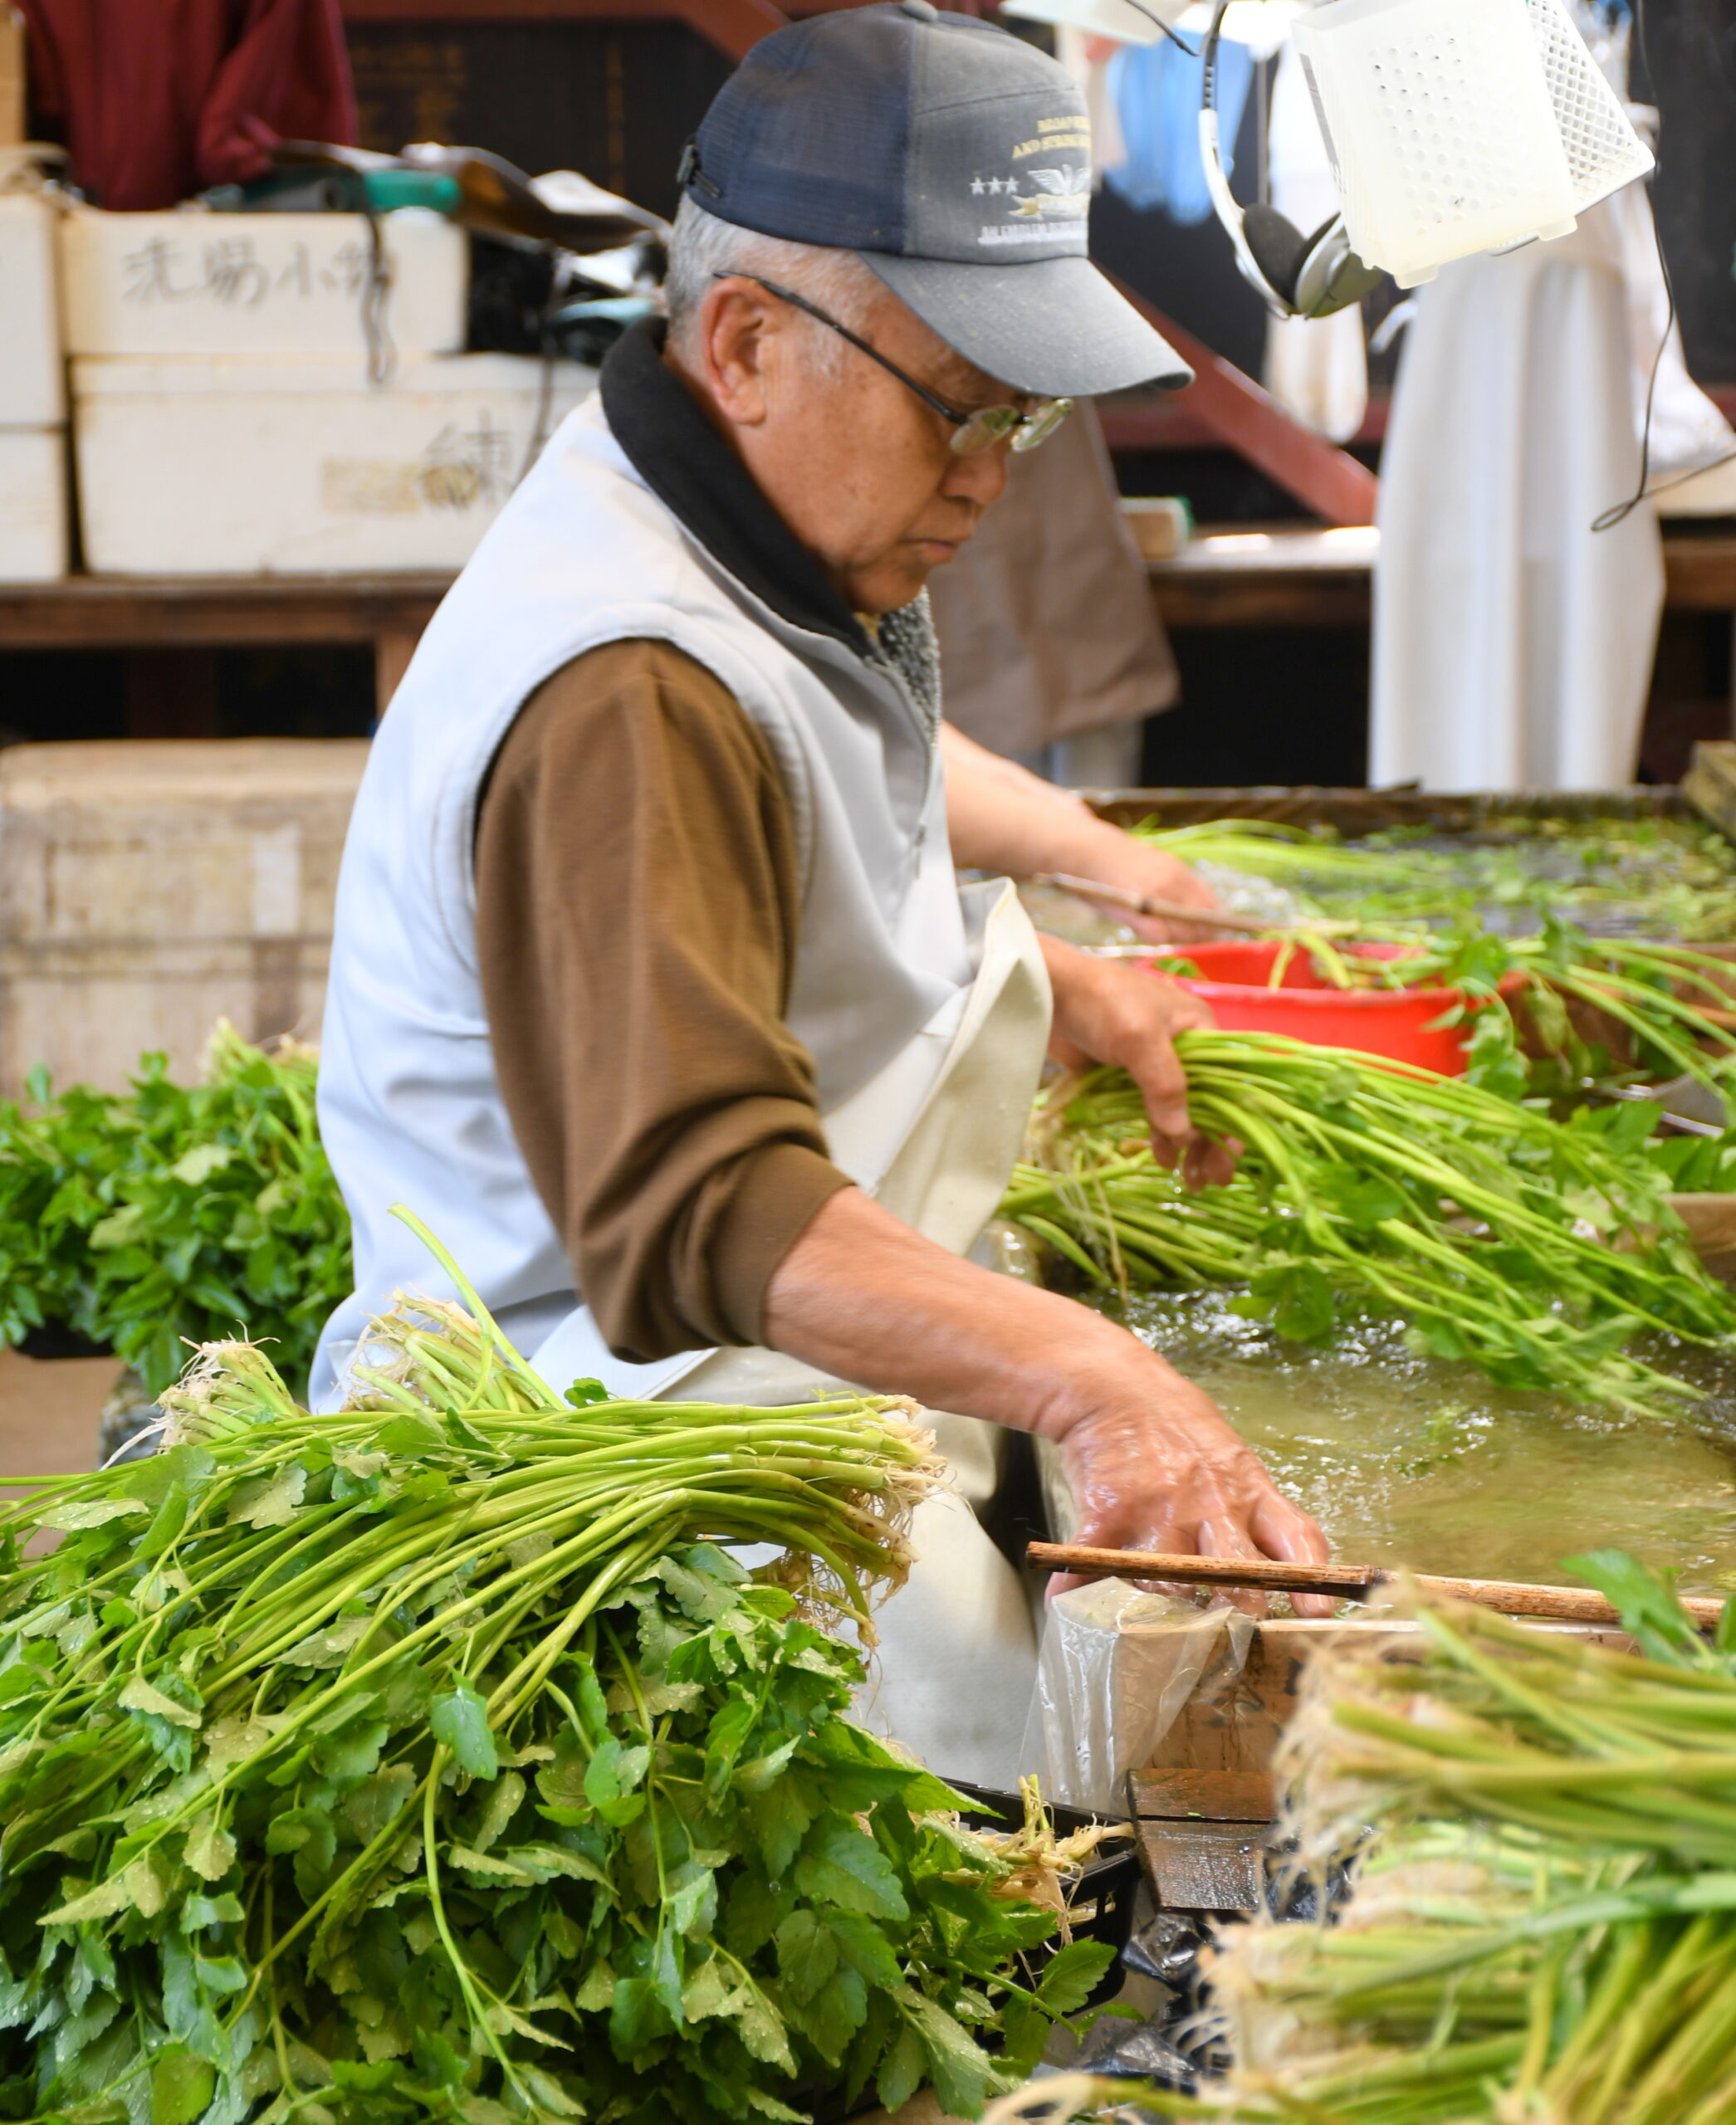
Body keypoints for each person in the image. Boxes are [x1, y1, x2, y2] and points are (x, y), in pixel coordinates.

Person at [314, 0, 1330, 1783]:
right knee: (1040, 1808)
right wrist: (1098, 1374)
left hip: (774, 1368)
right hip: (624, 1450)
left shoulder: (753, 527)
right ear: (746, 338)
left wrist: (1088, 918)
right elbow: (701, 1204)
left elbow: (830, 752)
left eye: (1019, 419)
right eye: (957, 400)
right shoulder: (617, 684)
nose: (982, 475)